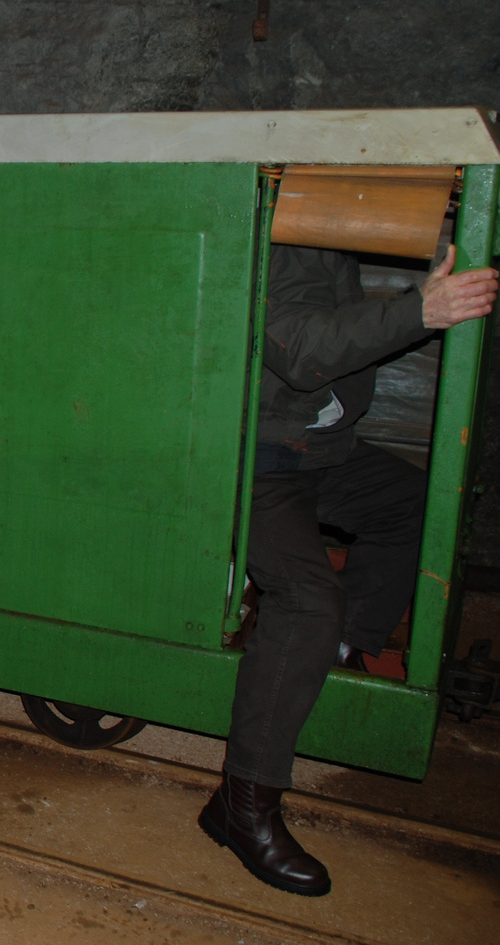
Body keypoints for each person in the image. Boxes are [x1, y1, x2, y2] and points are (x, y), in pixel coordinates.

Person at [199, 240, 498, 896]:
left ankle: (335, 653)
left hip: (316, 450)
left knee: (419, 507)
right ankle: (242, 808)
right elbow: (303, 352)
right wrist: (419, 310)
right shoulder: (276, 226)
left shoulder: (325, 236)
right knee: (306, 600)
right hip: (257, 457)